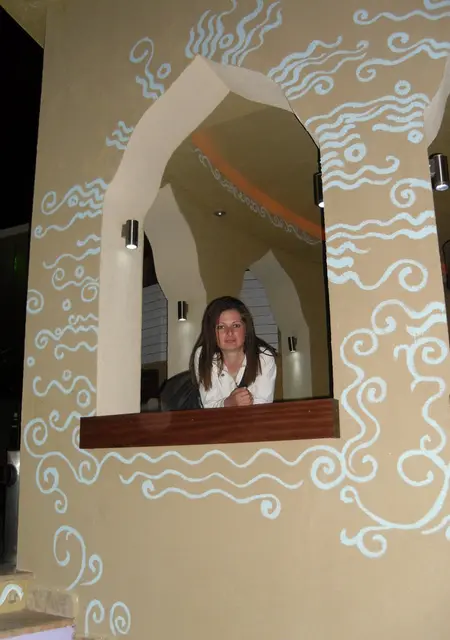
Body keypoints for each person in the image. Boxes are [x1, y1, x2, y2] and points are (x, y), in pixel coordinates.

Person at [189, 296, 277, 409]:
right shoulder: (204, 355)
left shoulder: (264, 357)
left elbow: (263, 406)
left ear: (246, 329)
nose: (229, 332)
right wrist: (229, 403)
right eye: (221, 327)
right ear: (211, 332)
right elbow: (209, 404)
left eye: (236, 325)